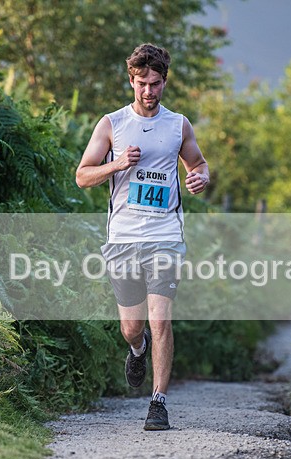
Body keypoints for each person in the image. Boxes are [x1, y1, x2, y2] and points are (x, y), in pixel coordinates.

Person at [75, 43, 210, 430]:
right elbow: (83, 175)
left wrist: (201, 176)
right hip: (122, 238)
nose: (148, 91)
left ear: (164, 81)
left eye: (155, 84)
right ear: (131, 82)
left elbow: (197, 162)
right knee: (133, 328)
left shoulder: (178, 124)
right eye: (141, 84)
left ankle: (158, 403)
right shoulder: (112, 124)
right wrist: (117, 163)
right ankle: (137, 349)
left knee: (160, 320)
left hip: (165, 236)